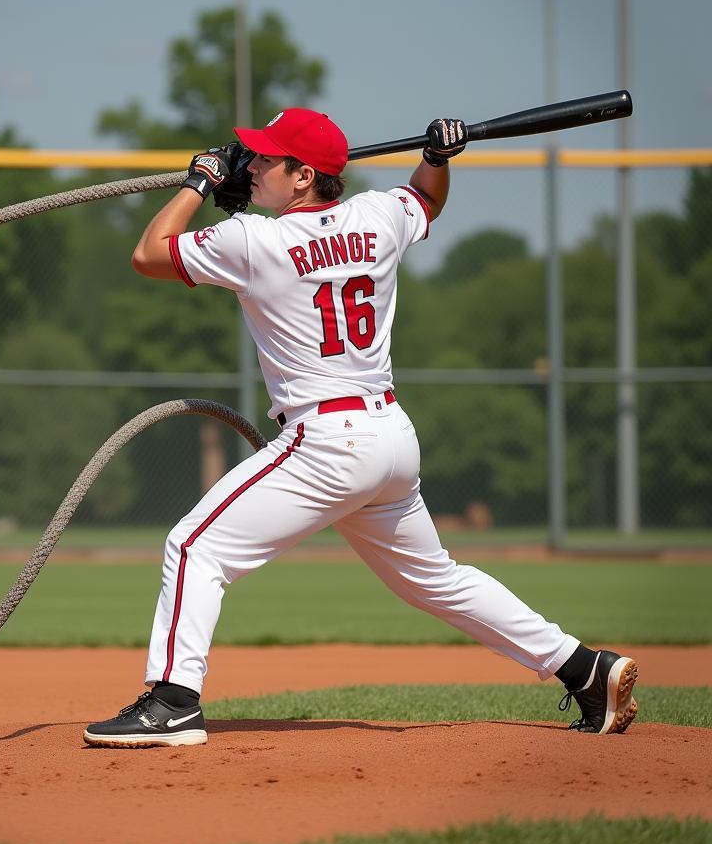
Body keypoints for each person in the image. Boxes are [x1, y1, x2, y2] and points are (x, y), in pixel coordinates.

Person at [84, 107, 638, 748]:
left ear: (301, 176)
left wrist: (200, 182)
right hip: (388, 436)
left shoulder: (254, 240)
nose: (253, 163)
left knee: (194, 548)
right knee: (438, 581)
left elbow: (148, 254)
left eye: (266, 158)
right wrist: (437, 158)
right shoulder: (375, 217)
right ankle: (585, 669)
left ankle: (173, 702)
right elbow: (426, 202)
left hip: (325, 438)